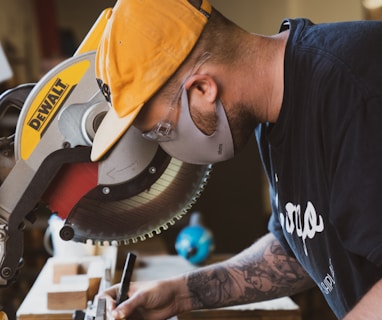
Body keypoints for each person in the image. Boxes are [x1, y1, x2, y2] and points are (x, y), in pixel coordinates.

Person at [90, 0, 382, 319]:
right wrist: (180, 294)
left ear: (203, 88)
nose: (166, 145)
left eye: (163, 130)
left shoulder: (358, 90)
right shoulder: (271, 113)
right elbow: (298, 248)